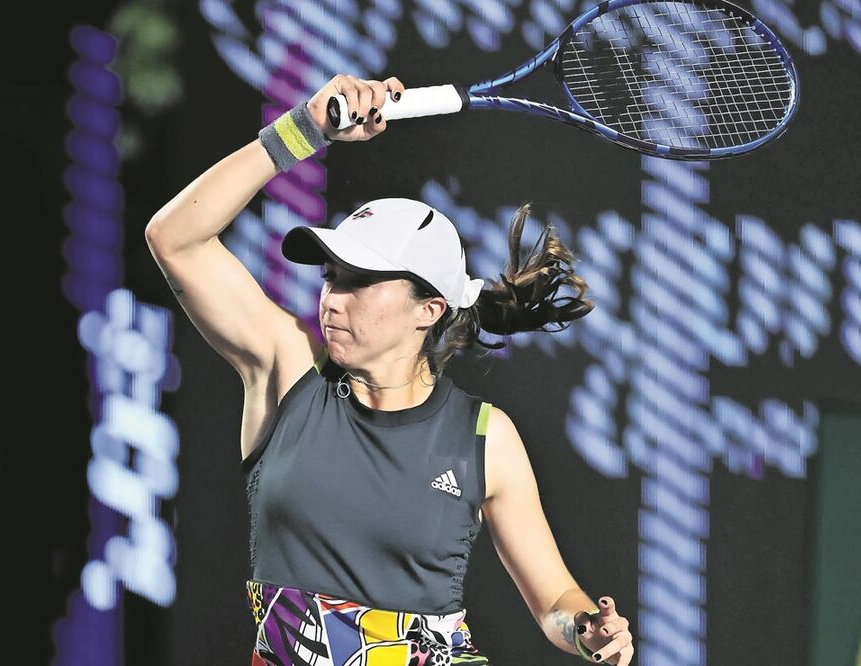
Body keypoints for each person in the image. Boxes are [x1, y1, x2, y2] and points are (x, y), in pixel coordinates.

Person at [145, 74, 635, 666]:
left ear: (429, 310)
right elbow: (175, 239)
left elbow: (555, 600)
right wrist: (306, 129)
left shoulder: (484, 437)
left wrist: (586, 628)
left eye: (359, 281)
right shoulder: (287, 371)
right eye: (330, 276)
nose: (331, 297)